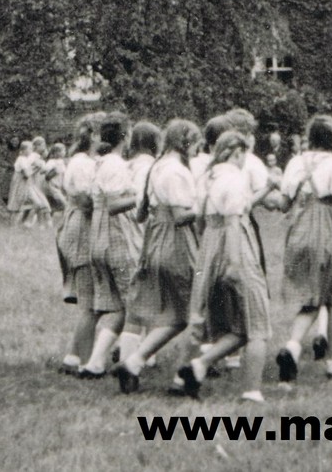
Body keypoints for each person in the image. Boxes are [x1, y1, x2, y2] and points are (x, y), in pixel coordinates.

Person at [176, 129, 271, 404]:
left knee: (238, 326)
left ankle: (199, 365)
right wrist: (234, 263)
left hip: (209, 247)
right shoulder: (234, 178)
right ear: (238, 152)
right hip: (235, 246)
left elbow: (201, 221)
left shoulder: (208, 177)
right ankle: (252, 391)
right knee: (257, 322)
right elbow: (233, 222)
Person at [267, 116, 332, 383]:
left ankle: (292, 348)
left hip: (299, 230)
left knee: (311, 297)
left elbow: (283, 203)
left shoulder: (296, 162)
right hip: (326, 230)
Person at [116, 119, 201, 394]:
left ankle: (135, 362)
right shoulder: (175, 171)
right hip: (176, 244)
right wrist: (205, 205)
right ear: (185, 142)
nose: (198, 149)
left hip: (156, 241)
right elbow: (180, 216)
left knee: (178, 312)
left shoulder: (157, 166)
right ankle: (182, 375)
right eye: (196, 143)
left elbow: (142, 212)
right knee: (192, 311)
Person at [79, 115, 141, 379]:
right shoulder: (115, 165)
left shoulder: (99, 163)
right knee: (135, 302)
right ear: (124, 137)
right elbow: (115, 205)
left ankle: (94, 363)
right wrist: (140, 196)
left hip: (99, 237)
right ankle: (128, 364)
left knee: (117, 307)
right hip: (116, 237)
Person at [55, 115, 99, 370]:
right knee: (89, 301)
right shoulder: (82, 163)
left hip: (82, 225)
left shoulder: (85, 161)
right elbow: (85, 202)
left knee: (89, 299)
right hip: (82, 227)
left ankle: (73, 356)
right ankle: (84, 362)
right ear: (93, 135)